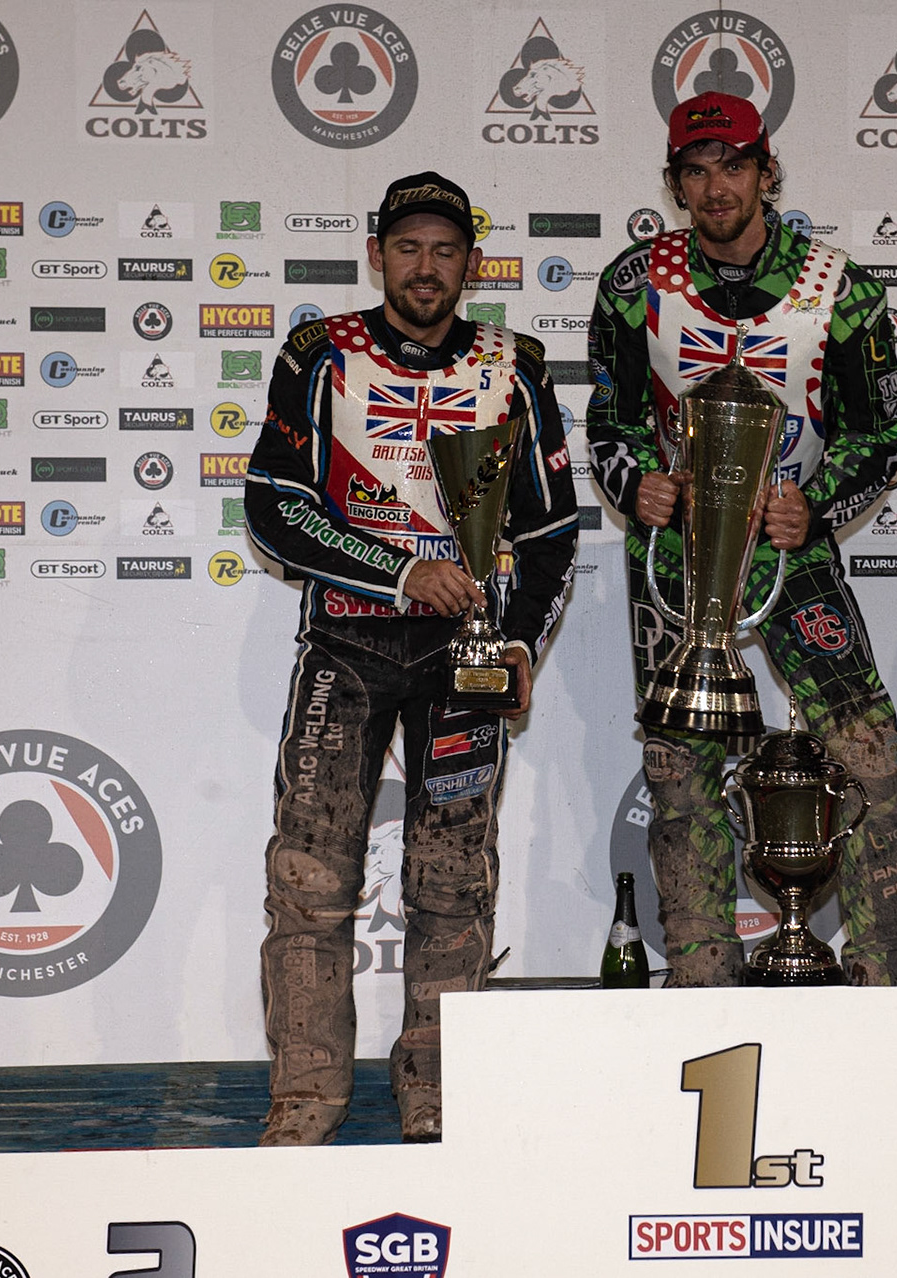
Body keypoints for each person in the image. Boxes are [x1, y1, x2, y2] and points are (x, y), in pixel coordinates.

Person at [245, 171, 578, 1145]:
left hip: (465, 661)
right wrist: (400, 572)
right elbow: (275, 503)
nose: (426, 267)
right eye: (408, 247)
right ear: (377, 254)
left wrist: (519, 640)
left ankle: (437, 1099)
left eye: (445, 250)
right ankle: (304, 1106)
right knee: (309, 881)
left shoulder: (513, 365)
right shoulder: (320, 355)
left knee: (454, 881)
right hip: (348, 644)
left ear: (472, 262)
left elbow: (550, 529)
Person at [586, 92, 897, 987]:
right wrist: (637, 485)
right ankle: (702, 976)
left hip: (789, 549)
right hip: (675, 562)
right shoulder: (633, 284)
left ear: (767, 172)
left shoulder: (840, 288)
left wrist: (812, 506)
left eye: (732, 166)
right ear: (674, 182)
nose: (714, 187)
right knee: (678, 767)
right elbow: (609, 427)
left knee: (865, 750)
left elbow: (880, 442)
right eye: (694, 171)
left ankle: (887, 976)